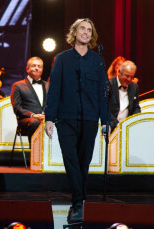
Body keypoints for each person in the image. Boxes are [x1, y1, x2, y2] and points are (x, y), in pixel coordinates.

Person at [44, 18, 108, 224]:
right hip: (66, 118)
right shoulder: (62, 59)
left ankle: (79, 202)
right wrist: (49, 118)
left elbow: (102, 94)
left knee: (84, 162)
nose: (86, 32)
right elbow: (54, 90)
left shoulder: (97, 60)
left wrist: (105, 120)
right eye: (82, 28)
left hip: (90, 118)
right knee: (71, 160)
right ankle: (79, 202)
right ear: (74, 32)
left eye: (89, 30)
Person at [10, 57, 49, 147]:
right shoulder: (18, 85)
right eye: (33, 66)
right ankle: (35, 156)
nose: (36, 68)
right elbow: (17, 108)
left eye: (39, 66)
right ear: (27, 69)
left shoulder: (48, 85)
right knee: (35, 122)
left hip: (46, 119)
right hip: (27, 121)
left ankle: (56, 157)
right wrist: (33, 115)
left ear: (42, 69)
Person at [109, 60, 141, 132]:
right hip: (111, 126)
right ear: (119, 71)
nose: (129, 79)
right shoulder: (108, 84)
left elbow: (136, 107)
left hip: (127, 128)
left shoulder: (134, 87)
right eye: (127, 76)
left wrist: (133, 122)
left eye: (132, 77)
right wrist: (117, 125)